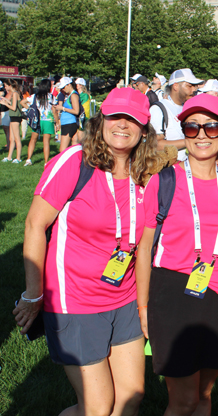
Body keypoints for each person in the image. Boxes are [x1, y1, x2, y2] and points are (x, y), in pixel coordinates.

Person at [13, 87, 169, 416]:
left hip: (124, 298)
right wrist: (33, 294)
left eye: (132, 119)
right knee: (97, 407)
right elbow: (33, 226)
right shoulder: (74, 162)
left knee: (131, 397)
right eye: (115, 116)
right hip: (75, 301)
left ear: (144, 128)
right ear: (101, 120)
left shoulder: (146, 175)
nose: (122, 125)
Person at [135, 94, 218, 416]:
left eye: (211, 127)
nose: (202, 136)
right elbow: (143, 248)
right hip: (174, 295)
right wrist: (143, 306)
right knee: (182, 402)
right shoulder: (165, 180)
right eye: (192, 128)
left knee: (205, 397)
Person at [150, 68, 203, 156]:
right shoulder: (159, 108)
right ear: (175, 86)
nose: (194, 90)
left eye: (195, 86)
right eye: (189, 86)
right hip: (168, 167)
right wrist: (189, 141)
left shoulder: (187, 108)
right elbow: (154, 145)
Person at [21, 79, 59, 166]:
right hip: (48, 120)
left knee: (33, 140)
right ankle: (46, 162)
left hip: (37, 120)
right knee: (46, 142)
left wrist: (29, 109)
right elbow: (54, 110)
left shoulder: (34, 96)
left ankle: (28, 159)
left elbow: (22, 102)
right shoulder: (52, 97)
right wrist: (57, 122)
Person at [54, 77, 80, 152]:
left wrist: (62, 108)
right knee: (69, 148)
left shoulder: (73, 95)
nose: (63, 89)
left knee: (62, 149)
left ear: (69, 85)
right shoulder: (70, 95)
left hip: (69, 123)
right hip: (68, 123)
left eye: (64, 87)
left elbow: (76, 111)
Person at [1, 79, 23, 163]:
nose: (5, 87)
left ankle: (18, 158)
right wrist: (6, 100)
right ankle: (9, 157)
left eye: (6, 86)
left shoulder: (15, 93)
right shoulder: (15, 93)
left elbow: (14, 108)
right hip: (12, 117)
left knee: (17, 138)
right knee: (11, 138)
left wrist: (5, 104)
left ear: (10, 85)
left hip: (15, 118)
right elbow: (14, 105)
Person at [0, 80, 11, 150]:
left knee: (7, 129)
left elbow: (8, 102)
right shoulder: (6, 92)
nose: (5, 87)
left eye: (6, 86)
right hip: (4, 111)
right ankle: (9, 144)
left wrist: (3, 99)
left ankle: (9, 145)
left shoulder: (10, 93)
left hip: (6, 111)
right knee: (5, 129)